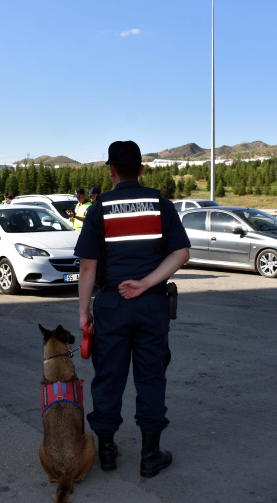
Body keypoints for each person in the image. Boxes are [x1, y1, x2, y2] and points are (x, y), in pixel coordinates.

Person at [75, 140, 190, 478]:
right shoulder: (160, 205)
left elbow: (88, 268)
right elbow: (181, 253)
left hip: (111, 305)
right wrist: (146, 282)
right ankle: (150, 455)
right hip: (151, 304)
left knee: (108, 376)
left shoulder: (99, 208)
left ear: (111, 170)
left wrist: (84, 313)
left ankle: (107, 452)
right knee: (151, 377)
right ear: (141, 169)